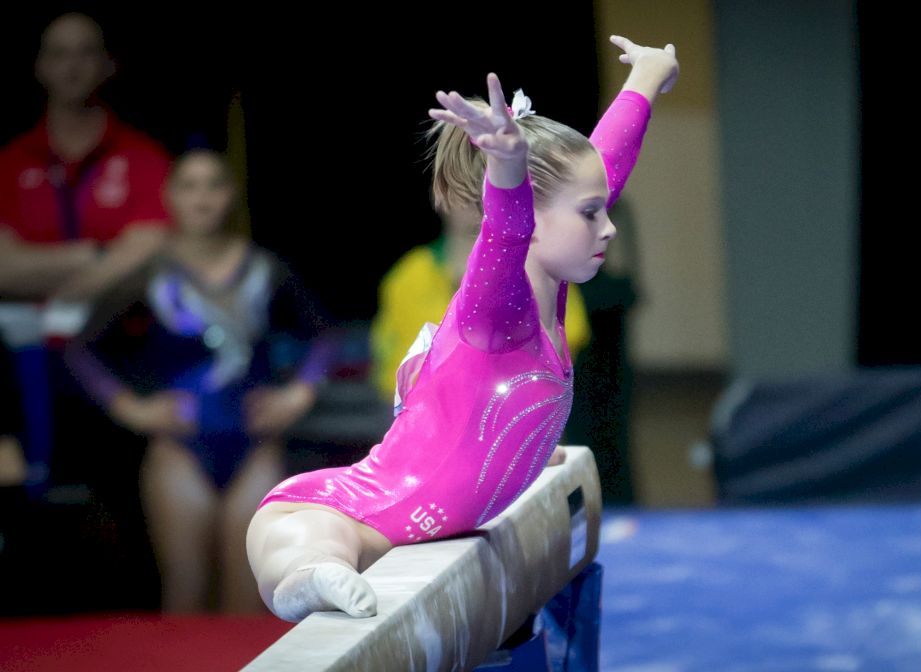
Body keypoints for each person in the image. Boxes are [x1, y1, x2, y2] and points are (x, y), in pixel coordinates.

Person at [246, 35, 679, 622]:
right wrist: (506, 170)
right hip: (353, 512)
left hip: (418, 522)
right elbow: (503, 239)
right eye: (589, 213)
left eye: (602, 208)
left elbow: (606, 162)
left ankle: (319, 569)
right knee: (300, 541)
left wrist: (646, 78)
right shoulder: (499, 315)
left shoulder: (556, 290)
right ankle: (309, 576)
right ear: (532, 217)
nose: (608, 228)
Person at [67, 150, 336, 612]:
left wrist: (299, 394)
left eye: (213, 185)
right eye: (189, 186)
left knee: (249, 602)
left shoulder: (264, 269)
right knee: (185, 598)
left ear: (230, 195)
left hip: (255, 446)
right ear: (170, 197)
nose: (202, 198)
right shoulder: (149, 273)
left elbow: (325, 338)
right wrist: (130, 407)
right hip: (179, 448)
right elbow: (80, 348)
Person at [0, 12, 171, 303]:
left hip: (123, 342)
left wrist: (56, 294)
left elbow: (150, 263)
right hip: (22, 344)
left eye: (86, 52)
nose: (72, 66)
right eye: (59, 54)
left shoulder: (146, 158)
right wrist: (96, 254)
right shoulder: (10, 161)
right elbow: (3, 270)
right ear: (40, 67)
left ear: (109, 65)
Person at [369, 201, 591, 402]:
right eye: (460, 188)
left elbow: (565, 345)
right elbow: (387, 358)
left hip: (516, 425)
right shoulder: (408, 276)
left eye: (481, 186)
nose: (472, 200)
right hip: (425, 428)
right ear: (440, 195)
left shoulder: (541, 267)